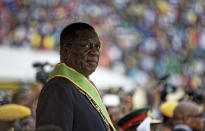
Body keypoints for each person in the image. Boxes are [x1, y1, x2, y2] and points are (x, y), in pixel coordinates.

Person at [36, 22, 115, 131]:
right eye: (86, 45)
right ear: (65, 52)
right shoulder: (58, 89)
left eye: (97, 47)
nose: (94, 52)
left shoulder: (80, 89)